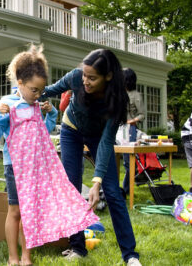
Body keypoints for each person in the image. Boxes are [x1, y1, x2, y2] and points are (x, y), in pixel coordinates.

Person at [0, 44, 98, 266]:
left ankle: (26, 257)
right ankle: (13, 257)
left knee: (29, 212)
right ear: (19, 83)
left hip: (35, 167)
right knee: (16, 210)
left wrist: (52, 113)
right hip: (14, 167)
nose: (38, 95)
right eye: (33, 90)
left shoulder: (37, 105)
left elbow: (43, 132)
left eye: (40, 90)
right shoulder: (6, 104)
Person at [42, 49, 141, 265]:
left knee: (113, 192)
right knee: (71, 187)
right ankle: (77, 246)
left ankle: (130, 255)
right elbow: (49, 90)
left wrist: (97, 181)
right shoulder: (76, 77)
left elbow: (106, 142)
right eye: (84, 75)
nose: (85, 80)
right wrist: (24, 93)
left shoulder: (116, 100)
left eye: (92, 77)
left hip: (98, 136)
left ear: (108, 76)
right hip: (71, 129)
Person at [121, 68, 144, 197]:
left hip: (129, 131)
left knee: (128, 162)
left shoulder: (136, 95)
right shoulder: (118, 93)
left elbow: (142, 115)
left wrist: (130, 122)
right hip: (116, 129)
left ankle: (126, 189)